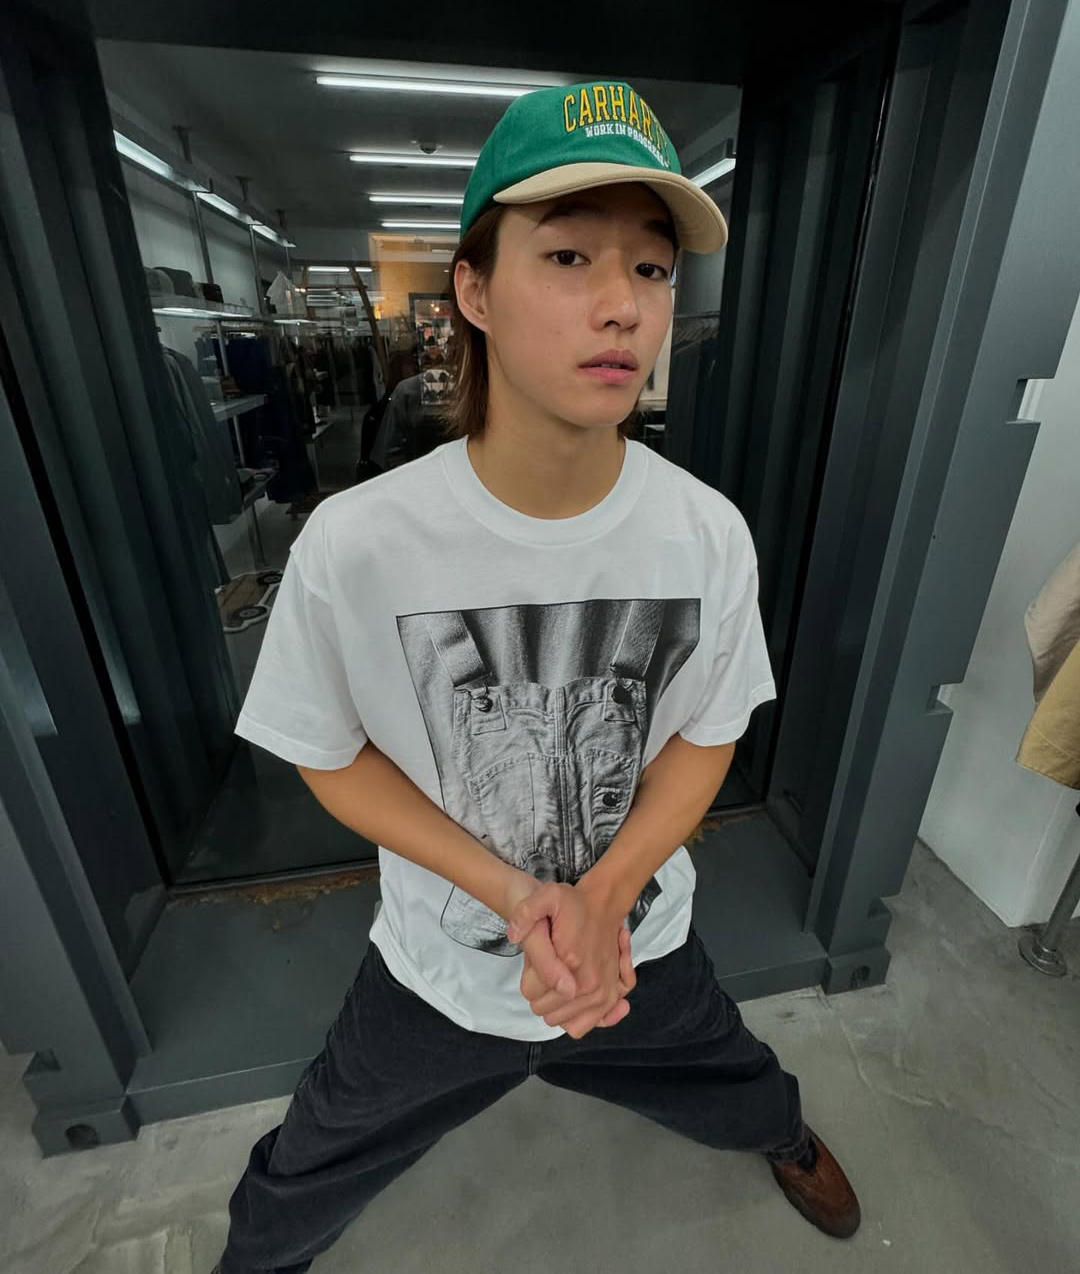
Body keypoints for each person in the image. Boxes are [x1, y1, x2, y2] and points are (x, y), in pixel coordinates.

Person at [214, 78, 861, 1273]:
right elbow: (330, 755)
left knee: (733, 1073)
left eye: (652, 268)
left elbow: (706, 732)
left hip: (637, 944)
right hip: (443, 966)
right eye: (568, 257)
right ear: (473, 290)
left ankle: (782, 1135)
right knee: (315, 1153)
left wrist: (606, 895)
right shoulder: (358, 542)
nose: (622, 304)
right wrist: (517, 899)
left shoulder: (705, 533)